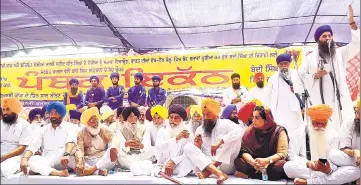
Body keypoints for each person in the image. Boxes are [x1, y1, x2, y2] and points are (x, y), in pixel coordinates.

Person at [298, 5, 360, 130]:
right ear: (318, 40)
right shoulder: (310, 59)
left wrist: (351, 22)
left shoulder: (340, 54)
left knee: (342, 135)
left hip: (339, 105)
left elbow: (357, 43)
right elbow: (299, 77)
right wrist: (315, 76)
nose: (328, 38)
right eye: (324, 36)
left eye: (329, 35)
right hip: (320, 107)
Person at [283, 104, 356, 184]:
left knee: (353, 170)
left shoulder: (334, 135)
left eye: (323, 123)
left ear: (328, 122)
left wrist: (328, 169)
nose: (320, 126)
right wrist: (307, 163)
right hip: (306, 167)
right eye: (316, 123)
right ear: (310, 121)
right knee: (288, 167)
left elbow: (334, 160)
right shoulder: (299, 132)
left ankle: (311, 182)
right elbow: (291, 155)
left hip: (325, 170)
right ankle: (325, 180)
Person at [19, 102, 77, 177]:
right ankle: (57, 173)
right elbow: (33, 145)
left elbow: (71, 140)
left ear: (62, 114)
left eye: (56, 113)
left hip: (64, 159)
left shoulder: (71, 126)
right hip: (47, 160)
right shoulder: (43, 129)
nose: (53, 116)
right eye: (51, 113)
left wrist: (66, 154)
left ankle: (41, 170)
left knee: (73, 153)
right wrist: (24, 159)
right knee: (30, 160)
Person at [265, 53, 304, 135]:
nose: (284, 66)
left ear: (289, 64)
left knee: (295, 132)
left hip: (293, 110)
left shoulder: (296, 75)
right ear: (278, 65)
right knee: (280, 132)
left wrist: (296, 89)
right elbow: (268, 94)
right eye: (281, 64)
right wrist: (267, 109)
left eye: (286, 63)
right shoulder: (273, 78)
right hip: (278, 110)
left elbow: (302, 90)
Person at [73, 107, 117, 176]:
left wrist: (112, 148)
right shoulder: (81, 132)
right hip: (88, 160)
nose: (95, 122)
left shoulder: (104, 128)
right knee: (72, 155)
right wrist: (80, 161)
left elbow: (114, 139)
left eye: (96, 119)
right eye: (91, 120)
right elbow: (79, 149)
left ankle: (91, 170)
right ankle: (97, 171)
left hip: (103, 160)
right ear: (86, 122)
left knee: (113, 149)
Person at [155, 104, 194, 177]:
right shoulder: (162, 130)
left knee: (189, 162)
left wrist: (174, 161)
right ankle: (162, 170)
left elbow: (189, 153)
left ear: (182, 120)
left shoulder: (188, 133)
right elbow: (159, 148)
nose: (173, 120)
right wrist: (176, 139)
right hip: (163, 163)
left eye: (176, 118)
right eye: (171, 117)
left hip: (179, 164)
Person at [328, 98, 360, 184]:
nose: (357, 116)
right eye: (356, 112)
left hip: (355, 167)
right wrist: (354, 152)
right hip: (352, 160)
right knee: (333, 154)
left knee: (356, 172)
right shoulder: (349, 123)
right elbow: (344, 148)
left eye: (359, 113)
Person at [0, 98, 33, 177]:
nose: (5, 113)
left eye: (8, 109)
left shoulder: (25, 125)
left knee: (2, 170)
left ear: (15, 110)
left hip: (16, 157)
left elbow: (21, 148)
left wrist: (2, 158)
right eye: (3, 109)